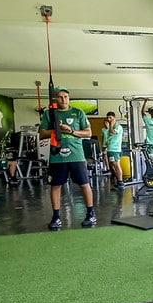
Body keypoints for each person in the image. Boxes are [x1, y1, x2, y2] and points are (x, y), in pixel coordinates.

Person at [39, 87, 97, 230]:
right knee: (55, 186)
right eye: (60, 97)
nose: (63, 99)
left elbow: (88, 133)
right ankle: (56, 217)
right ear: (55, 99)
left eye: (66, 96)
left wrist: (70, 130)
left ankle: (91, 214)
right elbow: (42, 134)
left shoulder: (78, 113)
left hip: (76, 156)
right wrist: (56, 129)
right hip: (57, 156)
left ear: (69, 98)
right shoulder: (49, 114)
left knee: (84, 184)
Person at [102, 111, 125, 189]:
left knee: (116, 164)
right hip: (110, 148)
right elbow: (107, 138)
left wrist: (111, 126)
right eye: (108, 118)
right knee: (112, 164)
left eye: (110, 118)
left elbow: (112, 133)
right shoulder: (107, 128)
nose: (109, 120)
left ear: (114, 118)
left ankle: (121, 182)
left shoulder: (118, 126)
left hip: (115, 149)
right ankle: (118, 180)